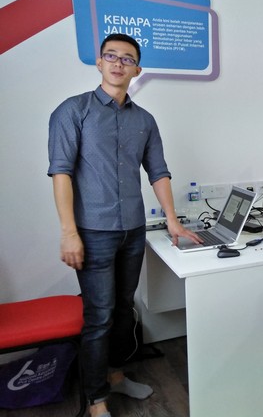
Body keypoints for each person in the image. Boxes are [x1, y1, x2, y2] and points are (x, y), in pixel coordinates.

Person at [48, 33, 201, 417]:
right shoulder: (73, 111)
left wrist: (172, 221)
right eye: (111, 56)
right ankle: (96, 399)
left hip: (133, 230)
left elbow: (158, 171)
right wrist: (69, 232)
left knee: (122, 310)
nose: (118, 63)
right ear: (99, 63)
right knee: (98, 316)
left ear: (137, 69)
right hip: (92, 232)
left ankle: (115, 375)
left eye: (127, 58)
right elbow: (61, 173)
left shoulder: (144, 120)